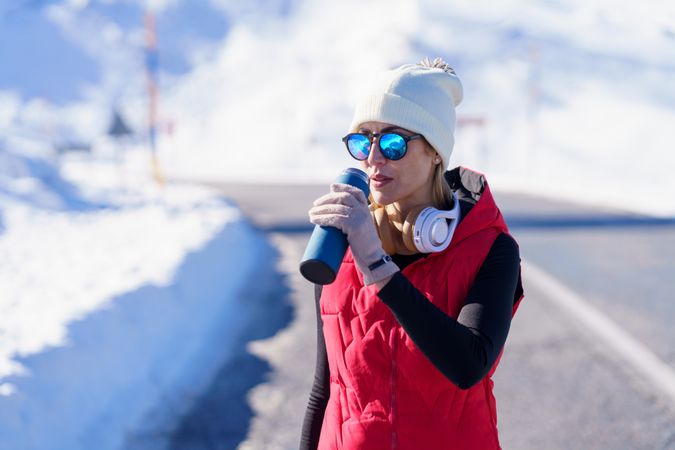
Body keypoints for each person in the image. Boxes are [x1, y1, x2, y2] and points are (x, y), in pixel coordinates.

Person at [299, 57, 524, 450]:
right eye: (362, 140)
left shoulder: (490, 247)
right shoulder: (339, 244)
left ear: (435, 151)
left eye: (392, 141)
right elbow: (326, 388)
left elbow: (469, 365)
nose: (373, 158)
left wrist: (377, 266)